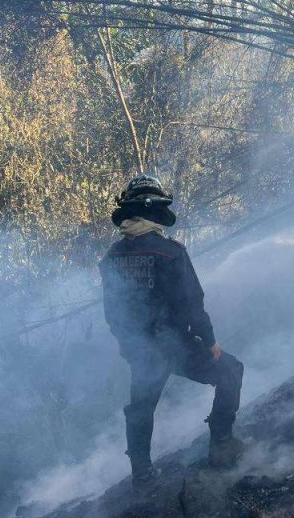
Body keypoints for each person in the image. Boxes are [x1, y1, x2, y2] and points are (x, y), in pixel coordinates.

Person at [99, 174, 244, 492]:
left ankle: (142, 476)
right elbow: (192, 302)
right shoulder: (170, 252)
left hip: (141, 350)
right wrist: (209, 340)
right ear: (154, 210)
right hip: (175, 346)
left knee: (141, 408)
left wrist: (129, 343)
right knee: (231, 371)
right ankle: (222, 447)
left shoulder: (112, 257)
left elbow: (112, 312)